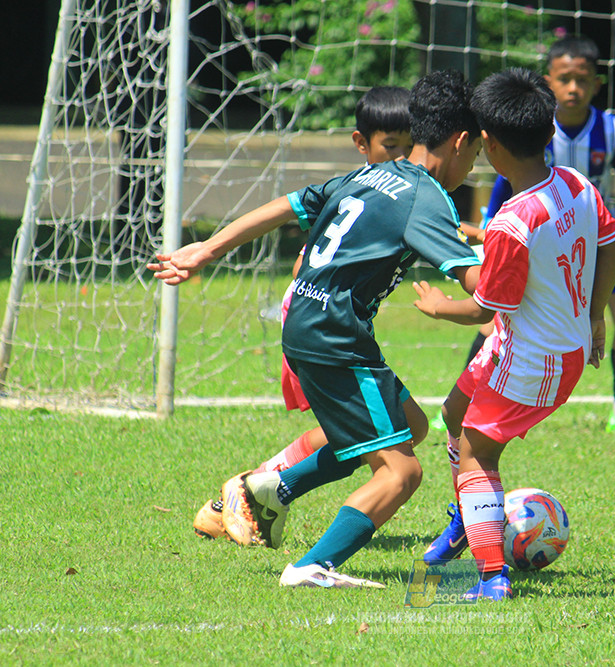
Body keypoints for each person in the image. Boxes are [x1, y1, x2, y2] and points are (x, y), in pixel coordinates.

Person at [148, 69, 483, 589]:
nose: (474, 166)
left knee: (410, 426)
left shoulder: (368, 176)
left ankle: (270, 491)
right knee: (402, 472)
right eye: (477, 154)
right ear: (462, 141)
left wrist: (207, 249)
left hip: (303, 319)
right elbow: (482, 286)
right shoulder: (429, 198)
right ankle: (312, 567)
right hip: (336, 335)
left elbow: (285, 206)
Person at [412, 67, 615, 600]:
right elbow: (614, 244)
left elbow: (486, 305)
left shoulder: (512, 221)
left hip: (533, 357)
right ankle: (470, 515)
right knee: (453, 412)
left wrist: (439, 308)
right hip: (552, 346)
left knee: (477, 452)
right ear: (550, 132)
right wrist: (595, 314)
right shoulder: (576, 185)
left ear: (486, 144)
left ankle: (492, 576)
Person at [190, 86, 418, 541]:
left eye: (408, 148)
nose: (401, 158)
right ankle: (257, 494)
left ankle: (237, 501)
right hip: (325, 327)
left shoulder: (365, 188)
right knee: (387, 452)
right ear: (362, 143)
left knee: (405, 423)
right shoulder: (378, 193)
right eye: (390, 147)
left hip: (320, 320)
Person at [483, 34, 615, 435]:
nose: (573, 88)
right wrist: (487, 230)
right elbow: (504, 182)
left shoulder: (613, 129)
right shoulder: (532, 127)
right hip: (539, 241)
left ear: (596, 84)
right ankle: (470, 394)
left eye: (582, 80)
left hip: (597, 240)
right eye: (564, 79)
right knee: (500, 319)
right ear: (548, 81)